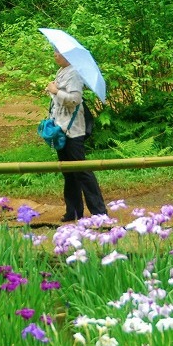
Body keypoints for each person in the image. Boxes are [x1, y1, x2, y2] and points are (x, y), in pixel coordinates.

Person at [46, 49, 106, 221]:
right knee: (68, 172)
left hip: (73, 131)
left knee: (81, 170)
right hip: (60, 129)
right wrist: (53, 90)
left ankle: (99, 212)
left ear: (67, 56)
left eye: (57, 52)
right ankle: (73, 211)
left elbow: (74, 100)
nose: (55, 55)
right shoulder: (61, 72)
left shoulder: (74, 74)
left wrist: (56, 91)